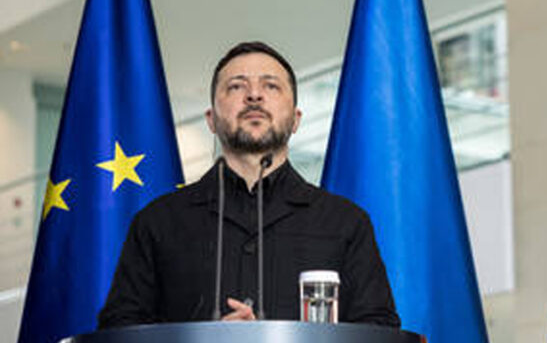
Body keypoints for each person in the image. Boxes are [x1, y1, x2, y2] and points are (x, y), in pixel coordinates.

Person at [99, 41, 399, 327]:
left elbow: (378, 330)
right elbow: (120, 329)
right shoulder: (158, 221)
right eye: (236, 86)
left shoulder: (345, 222)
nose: (254, 95)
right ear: (211, 119)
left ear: (296, 119)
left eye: (271, 86)